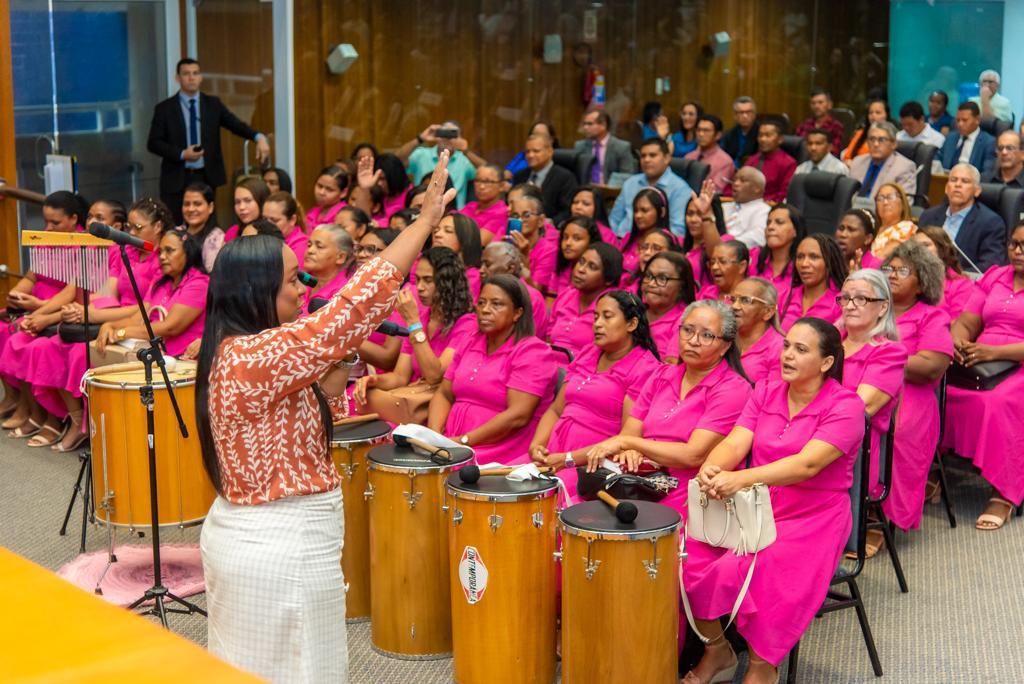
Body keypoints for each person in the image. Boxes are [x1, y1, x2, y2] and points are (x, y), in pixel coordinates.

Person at [194, 154, 455, 681]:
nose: (302, 291)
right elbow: (352, 306)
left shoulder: (248, 349)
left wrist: (334, 368)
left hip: (281, 538)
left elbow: (303, 417)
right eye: (292, 281)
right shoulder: (253, 354)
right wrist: (424, 223)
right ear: (255, 291)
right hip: (274, 546)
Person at [682, 318, 866, 684]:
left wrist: (738, 479)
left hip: (814, 517)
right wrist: (712, 468)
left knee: (757, 568)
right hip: (757, 504)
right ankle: (717, 649)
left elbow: (807, 464)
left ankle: (762, 667)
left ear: (827, 362)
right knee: (691, 553)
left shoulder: (846, 405)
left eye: (801, 349)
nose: (788, 355)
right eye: (786, 346)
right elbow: (737, 441)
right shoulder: (766, 390)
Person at [584, 300, 752, 514]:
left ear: (726, 345)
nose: (693, 341)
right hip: (641, 478)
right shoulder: (662, 375)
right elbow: (629, 434)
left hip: (688, 488)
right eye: (688, 330)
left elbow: (693, 455)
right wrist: (631, 448)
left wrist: (632, 444)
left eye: (707, 335)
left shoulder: (733, 388)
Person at [27, 199, 166, 452]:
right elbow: (107, 293)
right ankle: (74, 417)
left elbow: (143, 309)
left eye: (137, 228)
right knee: (52, 345)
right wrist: (80, 310)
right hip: (109, 315)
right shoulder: (125, 252)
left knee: (81, 352)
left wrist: (87, 314)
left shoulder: (161, 259)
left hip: (134, 321)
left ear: (157, 228)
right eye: (129, 228)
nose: (131, 234)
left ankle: (91, 425)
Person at [528, 290, 661, 501]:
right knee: (506, 485)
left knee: (543, 501)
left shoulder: (644, 367)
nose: (597, 324)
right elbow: (555, 410)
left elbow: (626, 439)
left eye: (607, 317)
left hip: (592, 466)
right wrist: (537, 445)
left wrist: (567, 460)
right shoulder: (588, 353)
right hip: (554, 455)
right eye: (596, 317)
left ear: (632, 324)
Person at [428, 274, 558, 462]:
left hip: (500, 448)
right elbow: (444, 393)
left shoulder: (533, 352)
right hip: (453, 440)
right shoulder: (470, 340)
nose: (485, 310)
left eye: (496, 304)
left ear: (517, 313)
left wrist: (463, 441)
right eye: (481, 303)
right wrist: (434, 438)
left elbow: (517, 417)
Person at [945, 223, 1024, 530]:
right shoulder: (995, 276)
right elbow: (966, 321)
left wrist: (994, 353)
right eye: (1014, 244)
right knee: (942, 390)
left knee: (997, 402)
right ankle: (936, 474)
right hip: (979, 358)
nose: (1018, 251)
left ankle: (1003, 492)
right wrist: (959, 342)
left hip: (1015, 363)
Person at [0, 191, 86, 440]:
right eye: (46, 221)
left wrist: (38, 307)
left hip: (57, 308)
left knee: (22, 339)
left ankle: (41, 413)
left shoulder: (84, 244)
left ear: (73, 219)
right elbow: (32, 276)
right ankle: (17, 399)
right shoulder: (47, 239)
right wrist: (16, 294)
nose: (48, 227)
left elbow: (72, 292)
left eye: (55, 223)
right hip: (36, 304)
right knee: (3, 328)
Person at [882, 241, 953, 532]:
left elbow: (930, 367)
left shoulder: (932, 316)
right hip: (860, 390)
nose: (893, 274)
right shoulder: (869, 308)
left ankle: (880, 516)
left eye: (903, 270)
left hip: (910, 397)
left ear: (922, 283)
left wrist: (878, 357)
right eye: (889, 268)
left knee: (892, 431)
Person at [147, 58, 270, 223]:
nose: (191, 78)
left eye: (195, 73)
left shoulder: (212, 104)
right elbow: (153, 143)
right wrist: (182, 154)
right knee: (173, 223)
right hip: (176, 177)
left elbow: (236, 125)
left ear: (201, 77)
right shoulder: (165, 108)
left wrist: (258, 137)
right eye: (186, 74)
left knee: (208, 222)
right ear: (178, 78)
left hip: (206, 175)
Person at [837, 269, 906, 555]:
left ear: (883, 307)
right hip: (811, 434)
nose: (850, 304)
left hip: (857, 452)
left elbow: (858, 410)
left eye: (861, 298)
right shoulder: (828, 342)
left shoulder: (888, 353)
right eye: (845, 298)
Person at [93, 229, 209, 360]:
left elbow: (170, 327)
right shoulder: (161, 282)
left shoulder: (200, 283)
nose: (162, 256)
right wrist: (109, 325)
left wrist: (120, 333)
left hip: (183, 361)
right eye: (160, 252)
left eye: (169, 250)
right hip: (157, 356)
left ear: (188, 253)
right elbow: (138, 318)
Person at [918, 163, 1006, 274]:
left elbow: (989, 265)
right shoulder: (928, 216)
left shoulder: (991, 223)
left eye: (965, 181)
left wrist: (953, 276)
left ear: (977, 191)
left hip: (961, 283)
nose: (958, 185)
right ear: (946, 188)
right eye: (953, 180)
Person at [548, 243, 623, 358]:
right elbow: (548, 337)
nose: (581, 269)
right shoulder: (566, 296)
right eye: (581, 262)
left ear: (609, 279)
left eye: (592, 267)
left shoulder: (613, 309)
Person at [609, 138, 692, 238]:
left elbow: (678, 230)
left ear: (667, 158)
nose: (646, 160)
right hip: (621, 241)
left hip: (654, 246)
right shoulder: (631, 183)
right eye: (643, 156)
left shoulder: (680, 189)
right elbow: (614, 219)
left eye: (652, 155)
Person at [398, 121, 485, 208]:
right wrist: (420, 139)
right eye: (444, 133)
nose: (447, 138)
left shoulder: (464, 160)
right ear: (437, 135)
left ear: (460, 138)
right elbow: (396, 161)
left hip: (453, 215)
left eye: (452, 134)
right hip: (421, 209)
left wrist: (466, 151)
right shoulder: (421, 154)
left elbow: (487, 170)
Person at [479, 241, 549, 338]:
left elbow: (525, 340)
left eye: (487, 265)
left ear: (510, 268)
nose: (481, 270)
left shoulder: (531, 298)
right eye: (481, 264)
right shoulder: (484, 289)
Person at [639, 252, 697, 361]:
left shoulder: (686, 320)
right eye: (648, 276)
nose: (651, 284)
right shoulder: (634, 310)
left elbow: (670, 366)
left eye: (662, 278)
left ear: (681, 286)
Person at [781, 234, 847, 329]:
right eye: (800, 257)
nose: (804, 264)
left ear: (829, 262)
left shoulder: (841, 302)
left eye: (814, 257)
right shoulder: (785, 295)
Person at [749, 203, 807, 310]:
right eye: (768, 223)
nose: (770, 227)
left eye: (779, 222)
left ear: (795, 231)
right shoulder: (754, 256)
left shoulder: (804, 267)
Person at [912, 225, 976, 321]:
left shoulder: (961, 285)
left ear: (941, 249)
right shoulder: (908, 280)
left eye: (926, 245)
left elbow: (957, 326)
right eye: (915, 247)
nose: (919, 251)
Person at [728, 277, 784, 384]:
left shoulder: (779, 349)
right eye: (733, 299)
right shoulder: (724, 338)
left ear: (768, 311)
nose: (734, 306)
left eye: (745, 300)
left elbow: (772, 395)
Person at [511, 134, 578, 224]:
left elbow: (567, 211)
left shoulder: (565, 177)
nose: (530, 155)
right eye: (527, 152)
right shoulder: (519, 175)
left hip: (550, 229)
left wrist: (549, 222)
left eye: (536, 151)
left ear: (550, 151)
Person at [729, 121, 795, 203]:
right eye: (760, 135)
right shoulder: (752, 160)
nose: (763, 139)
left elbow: (783, 194)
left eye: (768, 135)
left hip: (769, 207)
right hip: (744, 204)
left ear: (780, 139)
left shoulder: (788, 163)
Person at [506, 191, 558, 295]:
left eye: (526, 215)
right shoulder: (508, 243)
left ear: (540, 220)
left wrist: (525, 257)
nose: (520, 219)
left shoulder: (548, 250)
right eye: (515, 216)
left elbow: (535, 292)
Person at [850, 121, 917, 199]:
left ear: (894, 144)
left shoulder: (904, 168)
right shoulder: (857, 162)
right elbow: (846, 195)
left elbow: (904, 203)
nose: (875, 144)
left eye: (881, 140)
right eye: (872, 139)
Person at [300, 224, 356, 314]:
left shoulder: (344, 293)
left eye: (319, 247)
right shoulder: (300, 277)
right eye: (309, 245)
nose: (310, 250)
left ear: (341, 257)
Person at [573, 108, 637, 183]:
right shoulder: (580, 146)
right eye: (584, 124)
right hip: (586, 191)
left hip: (611, 191)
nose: (585, 127)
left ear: (603, 125)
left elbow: (627, 175)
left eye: (590, 124)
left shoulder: (622, 147)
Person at [619, 188, 671, 274]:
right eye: (635, 211)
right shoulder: (628, 238)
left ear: (662, 212)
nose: (638, 215)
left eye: (644, 210)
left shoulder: (666, 241)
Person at [431, 213, 483, 297]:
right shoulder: (424, 264)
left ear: (466, 238)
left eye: (448, 231)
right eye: (436, 230)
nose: (437, 235)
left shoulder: (472, 277)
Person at [548, 216, 603, 296]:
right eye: (565, 237)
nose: (568, 243)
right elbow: (550, 300)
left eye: (577, 239)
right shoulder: (562, 267)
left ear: (591, 242)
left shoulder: (594, 276)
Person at [939, 102, 996, 174]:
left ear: (977, 120)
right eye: (958, 120)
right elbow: (938, 157)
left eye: (964, 120)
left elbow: (987, 173)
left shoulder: (989, 142)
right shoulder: (950, 137)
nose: (960, 124)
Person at [867, 183, 917, 263]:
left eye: (890, 197)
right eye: (880, 198)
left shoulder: (907, 228)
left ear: (903, 203)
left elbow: (881, 258)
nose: (885, 202)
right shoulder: (871, 228)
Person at [684, 114, 736, 192]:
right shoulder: (689, 156)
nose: (701, 134)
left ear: (718, 135)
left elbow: (715, 191)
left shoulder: (725, 162)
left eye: (706, 131)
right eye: (698, 130)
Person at [180, 182, 225, 271]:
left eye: (197, 204)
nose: (191, 209)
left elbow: (211, 276)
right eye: (186, 204)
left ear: (210, 207)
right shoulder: (177, 232)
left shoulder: (216, 238)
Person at [458, 163, 508, 243]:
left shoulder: (503, 212)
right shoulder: (470, 206)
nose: (481, 187)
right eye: (478, 180)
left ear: (501, 186)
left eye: (487, 182)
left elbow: (478, 242)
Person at [723, 167, 771, 248]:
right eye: (735, 180)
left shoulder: (764, 211)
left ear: (757, 188)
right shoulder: (724, 206)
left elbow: (757, 238)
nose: (735, 183)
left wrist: (724, 245)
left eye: (742, 180)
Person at [263, 192, 308, 268]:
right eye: (264, 219)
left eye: (274, 220)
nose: (266, 224)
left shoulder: (301, 245)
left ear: (292, 220)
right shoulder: (266, 238)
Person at [795, 88, 844, 156]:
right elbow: (796, 146)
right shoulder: (805, 124)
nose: (816, 106)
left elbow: (835, 151)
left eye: (820, 102)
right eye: (813, 103)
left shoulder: (836, 126)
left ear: (829, 105)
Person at [223, 177, 270, 242]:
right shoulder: (233, 232)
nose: (241, 207)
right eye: (237, 202)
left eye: (248, 200)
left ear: (261, 201)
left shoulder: (273, 231)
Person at [305, 165, 351, 230]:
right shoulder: (313, 212)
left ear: (343, 193)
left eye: (329, 189)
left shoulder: (345, 215)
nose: (322, 192)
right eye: (320, 186)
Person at [721, 96, 759, 166]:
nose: (745, 116)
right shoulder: (728, 135)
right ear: (735, 115)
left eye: (748, 112)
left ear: (754, 114)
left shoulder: (761, 134)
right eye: (741, 112)